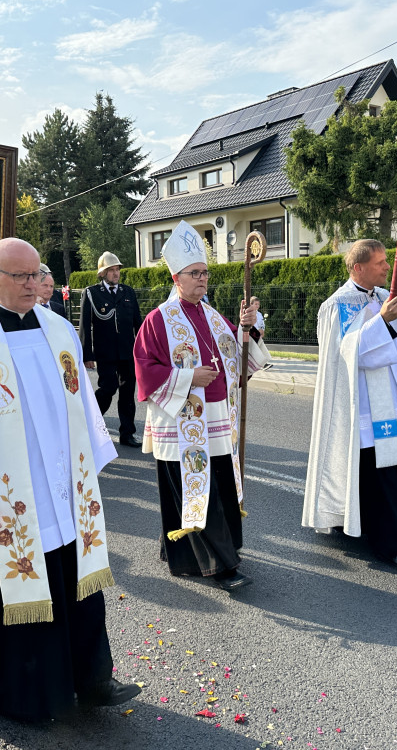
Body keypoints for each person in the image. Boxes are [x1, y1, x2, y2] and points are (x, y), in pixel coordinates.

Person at [0, 237, 137, 721]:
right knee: (13, 593)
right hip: (3, 499)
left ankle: (90, 680)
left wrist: (88, 470)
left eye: (35, 274)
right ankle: (19, 695)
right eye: (19, 276)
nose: (32, 284)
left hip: (61, 493)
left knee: (74, 584)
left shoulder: (60, 331)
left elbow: (83, 404)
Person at [133, 220, 271, 591]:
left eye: (205, 273)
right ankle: (219, 565)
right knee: (198, 492)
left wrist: (247, 328)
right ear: (176, 277)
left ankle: (178, 546)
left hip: (218, 420)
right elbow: (146, 374)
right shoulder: (158, 321)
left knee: (218, 488)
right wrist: (188, 378)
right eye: (195, 273)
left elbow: (240, 359)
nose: (203, 279)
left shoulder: (212, 316)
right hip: (183, 423)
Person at [302, 239, 397, 572]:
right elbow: (346, 354)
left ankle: (396, 531)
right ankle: (392, 544)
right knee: (373, 471)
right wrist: (382, 321)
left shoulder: (384, 299)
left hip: (387, 400)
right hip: (358, 406)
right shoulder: (336, 306)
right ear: (358, 267)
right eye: (380, 263)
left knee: (388, 470)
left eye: (387, 262)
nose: (387, 268)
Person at [79, 252, 143, 448]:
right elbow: (84, 326)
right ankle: (89, 423)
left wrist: (142, 350)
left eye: (117, 270)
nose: (116, 274)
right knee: (108, 388)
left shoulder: (128, 292)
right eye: (112, 270)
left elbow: (138, 324)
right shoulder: (91, 293)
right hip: (105, 352)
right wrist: (87, 355)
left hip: (127, 352)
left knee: (127, 392)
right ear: (103, 273)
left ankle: (127, 433)